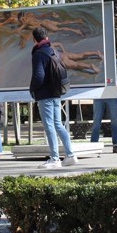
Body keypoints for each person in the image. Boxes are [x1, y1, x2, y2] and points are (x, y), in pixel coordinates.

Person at [30, 26, 79, 168]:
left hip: (45, 94)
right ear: (46, 37)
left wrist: (32, 88)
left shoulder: (38, 54)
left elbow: (38, 76)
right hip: (57, 92)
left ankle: (55, 158)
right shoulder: (54, 51)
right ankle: (70, 155)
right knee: (58, 123)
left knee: (49, 125)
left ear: (34, 39)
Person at [91, 58, 117, 153]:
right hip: (99, 93)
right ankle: (94, 145)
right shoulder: (98, 61)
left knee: (114, 121)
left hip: (113, 94)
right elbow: (93, 76)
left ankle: (116, 145)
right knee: (96, 120)